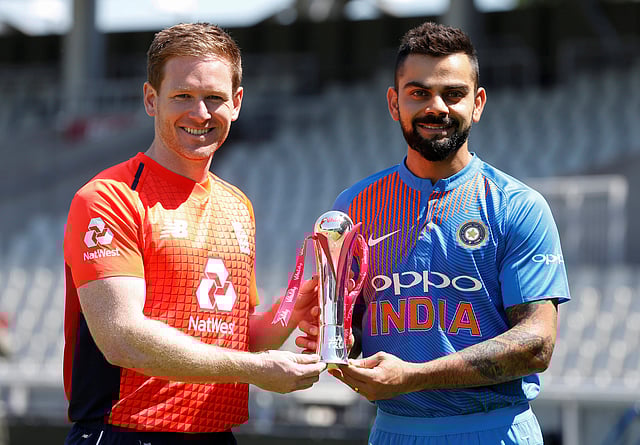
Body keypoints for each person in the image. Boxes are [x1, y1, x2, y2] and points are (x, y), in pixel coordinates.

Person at [62, 22, 325, 445]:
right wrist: (255, 370)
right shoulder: (109, 199)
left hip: (217, 435)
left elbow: (236, 338)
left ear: (237, 103)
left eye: (215, 98)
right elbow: (122, 340)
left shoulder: (238, 205)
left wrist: (289, 313)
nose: (200, 113)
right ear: (152, 99)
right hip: (123, 433)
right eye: (183, 95)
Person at [327, 21, 570, 445]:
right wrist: (336, 340)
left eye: (452, 94)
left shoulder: (517, 205)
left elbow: (537, 344)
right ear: (393, 102)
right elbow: (349, 335)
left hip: (497, 430)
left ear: (477, 103)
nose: (435, 106)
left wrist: (414, 377)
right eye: (418, 92)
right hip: (394, 431)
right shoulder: (351, 208)